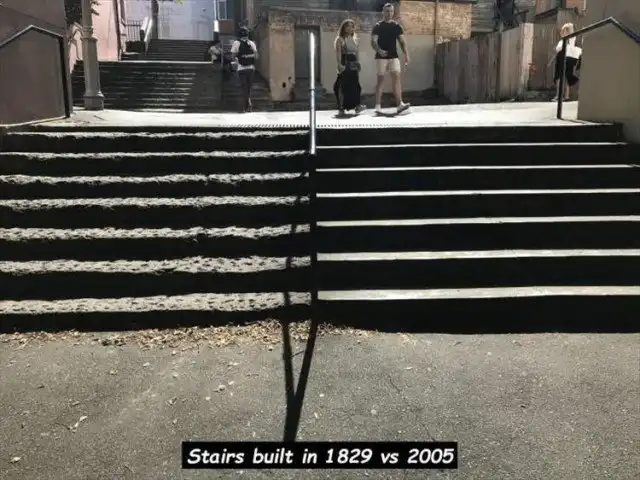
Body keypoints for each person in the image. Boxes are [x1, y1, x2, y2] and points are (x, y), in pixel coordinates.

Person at [371, 3, 410, 114]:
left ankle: (400, 104)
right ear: (383, 12)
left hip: (394, 56)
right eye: (387, 11)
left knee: (397, 79)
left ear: (393, 12)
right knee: (380, 81)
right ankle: (377, 106)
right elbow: (373, 42)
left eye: (391, 11)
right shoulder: (378, 26)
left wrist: (406, 54)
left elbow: (402, 41)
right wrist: (379, 50)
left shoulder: (396, 26)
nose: (389, 13)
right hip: (381, 57)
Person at [333, 19, 366, 116]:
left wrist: (358, 63)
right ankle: (341, 108)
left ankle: (357, 106)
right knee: (341, 86)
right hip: (345, 62)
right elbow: (338, 53)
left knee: (355, 86)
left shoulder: (355, 39)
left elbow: (356, 52)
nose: (350, 28)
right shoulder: (340, 39)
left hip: (353, 64)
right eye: (347, 26)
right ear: (343, 27)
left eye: (352, 26)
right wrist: (339, 64)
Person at [548, 22, 582, 101]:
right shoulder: (563, 41)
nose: (561, 32)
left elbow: (571, 32)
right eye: (562, 31)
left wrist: (568, 27)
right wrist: (550, 62)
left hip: (565, 59)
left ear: (567, 32)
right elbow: (557, 51)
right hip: (563, 59)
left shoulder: (569, 40)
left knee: (564, 77)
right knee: (561, 77)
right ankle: (561, 96)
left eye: (563, 31)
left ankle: (563, 96)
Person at [230, 27, 258, 112]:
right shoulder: (252, 43)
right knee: (248, 88)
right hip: (251, 68)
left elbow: (233, 56)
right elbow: (256, 56)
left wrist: (237, 59)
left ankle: (245, 107)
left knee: (243, 88)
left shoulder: (236, 43)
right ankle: (248, 105)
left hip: (241, 68)